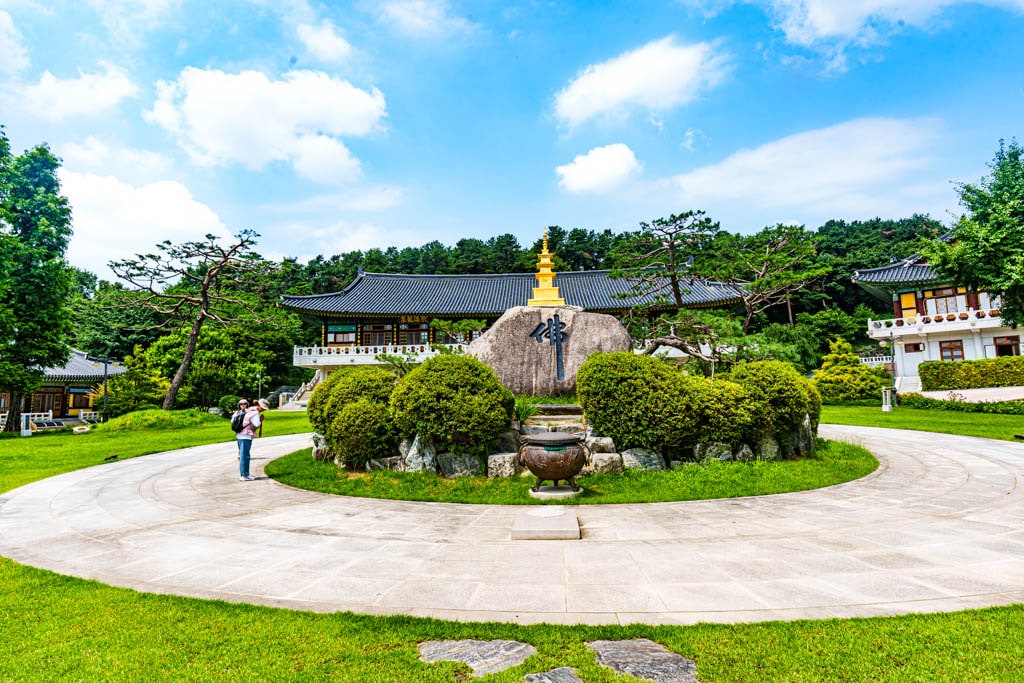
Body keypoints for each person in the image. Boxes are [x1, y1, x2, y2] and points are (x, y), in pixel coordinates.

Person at [237, 398, 270, 481]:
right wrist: (261, 420)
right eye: (264, 408)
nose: (264, 410)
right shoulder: (255, 413)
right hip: (245, 435)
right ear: (260, 407)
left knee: (245, 455)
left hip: (241, 435)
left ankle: (246, 474)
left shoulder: (249, 409)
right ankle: (243, 475)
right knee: (244, 456)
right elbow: (256, 424)